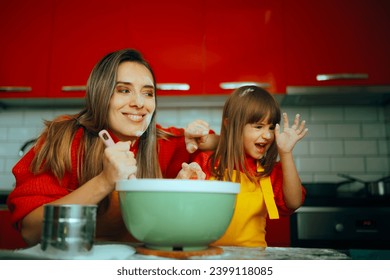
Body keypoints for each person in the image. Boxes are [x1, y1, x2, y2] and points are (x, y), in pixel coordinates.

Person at [6, 49, 215, 246]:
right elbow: (30, 229)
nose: (139, 103)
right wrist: (104, 181)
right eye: (124, 90)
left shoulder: (160, 142)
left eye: (148, 93)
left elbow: (219, 144)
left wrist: (202, 148)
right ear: (100, 94)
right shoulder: (63, 141)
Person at [194, 85, 308, 247]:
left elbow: (294, 202)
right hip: (209, 258)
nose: (267, 135)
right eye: (258, 127)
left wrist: (286, 153)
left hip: (253, 260)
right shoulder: (206, 163)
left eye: (271, 127)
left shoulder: (268, 172)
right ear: (230, 124)